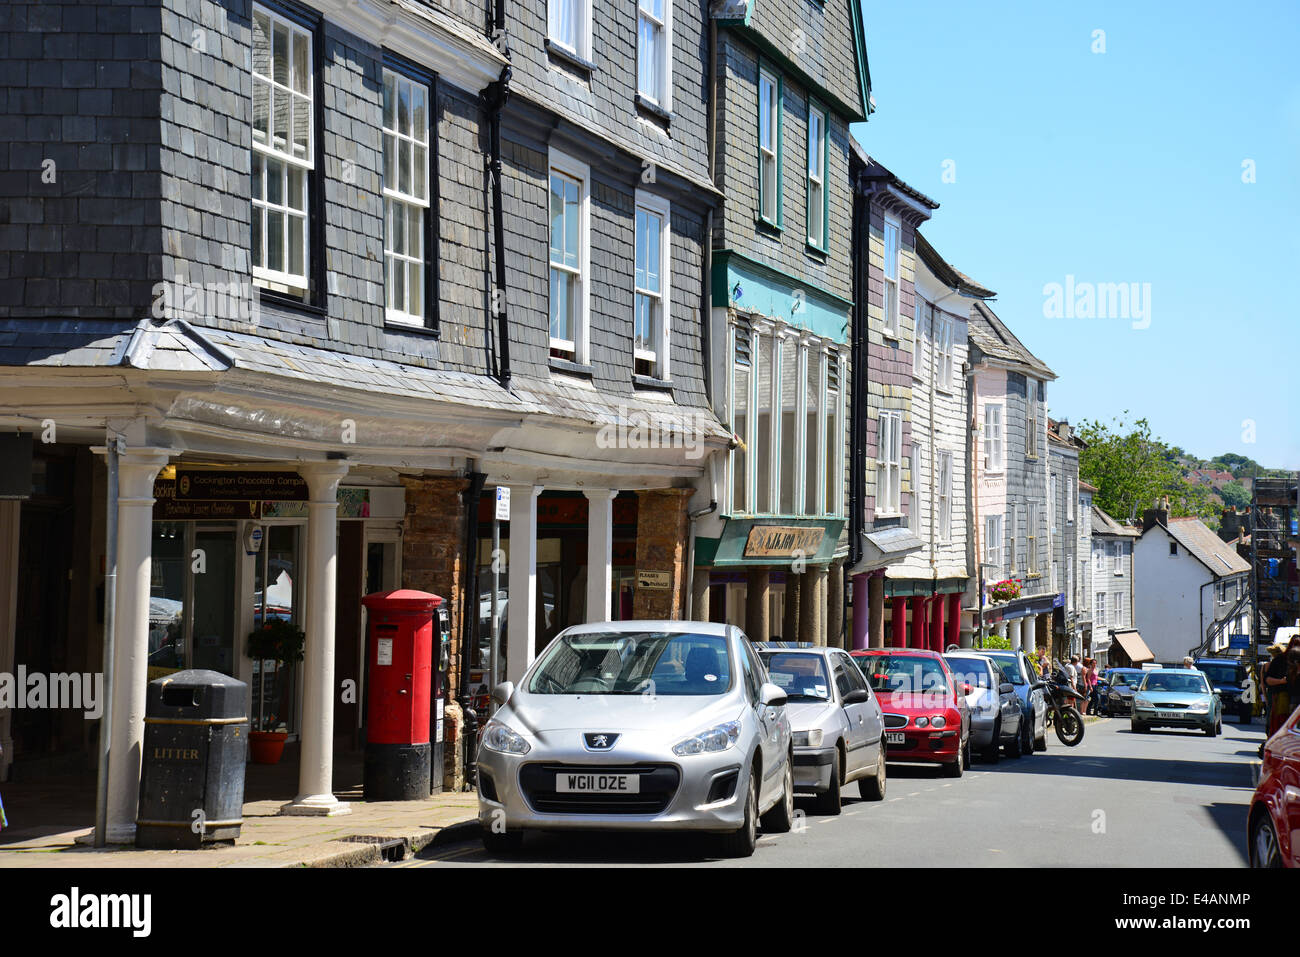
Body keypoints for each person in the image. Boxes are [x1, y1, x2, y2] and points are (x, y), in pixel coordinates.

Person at [1264, 636, 1300, 738]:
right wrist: (1281, 681)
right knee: (1281, 724)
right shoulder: (1280, 660)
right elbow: (1267, 680)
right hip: (1282, 698)